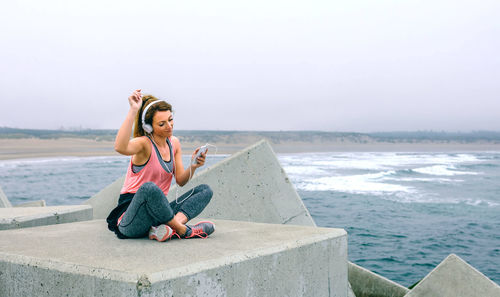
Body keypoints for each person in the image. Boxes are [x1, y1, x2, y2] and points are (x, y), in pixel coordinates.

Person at [106, 89, 215, 241]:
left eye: (170, 120)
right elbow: (120, 147)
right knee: (149, 188)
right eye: (162, 124)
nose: (169, 126)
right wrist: (133, 110)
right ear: (149, 127)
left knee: (205, 190)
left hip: (158, 214)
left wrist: (194, 166)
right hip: (131, 220)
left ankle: (166, 229)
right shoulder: (144, 144)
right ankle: (183, 230)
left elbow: (181, 181)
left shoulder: (174, 143)